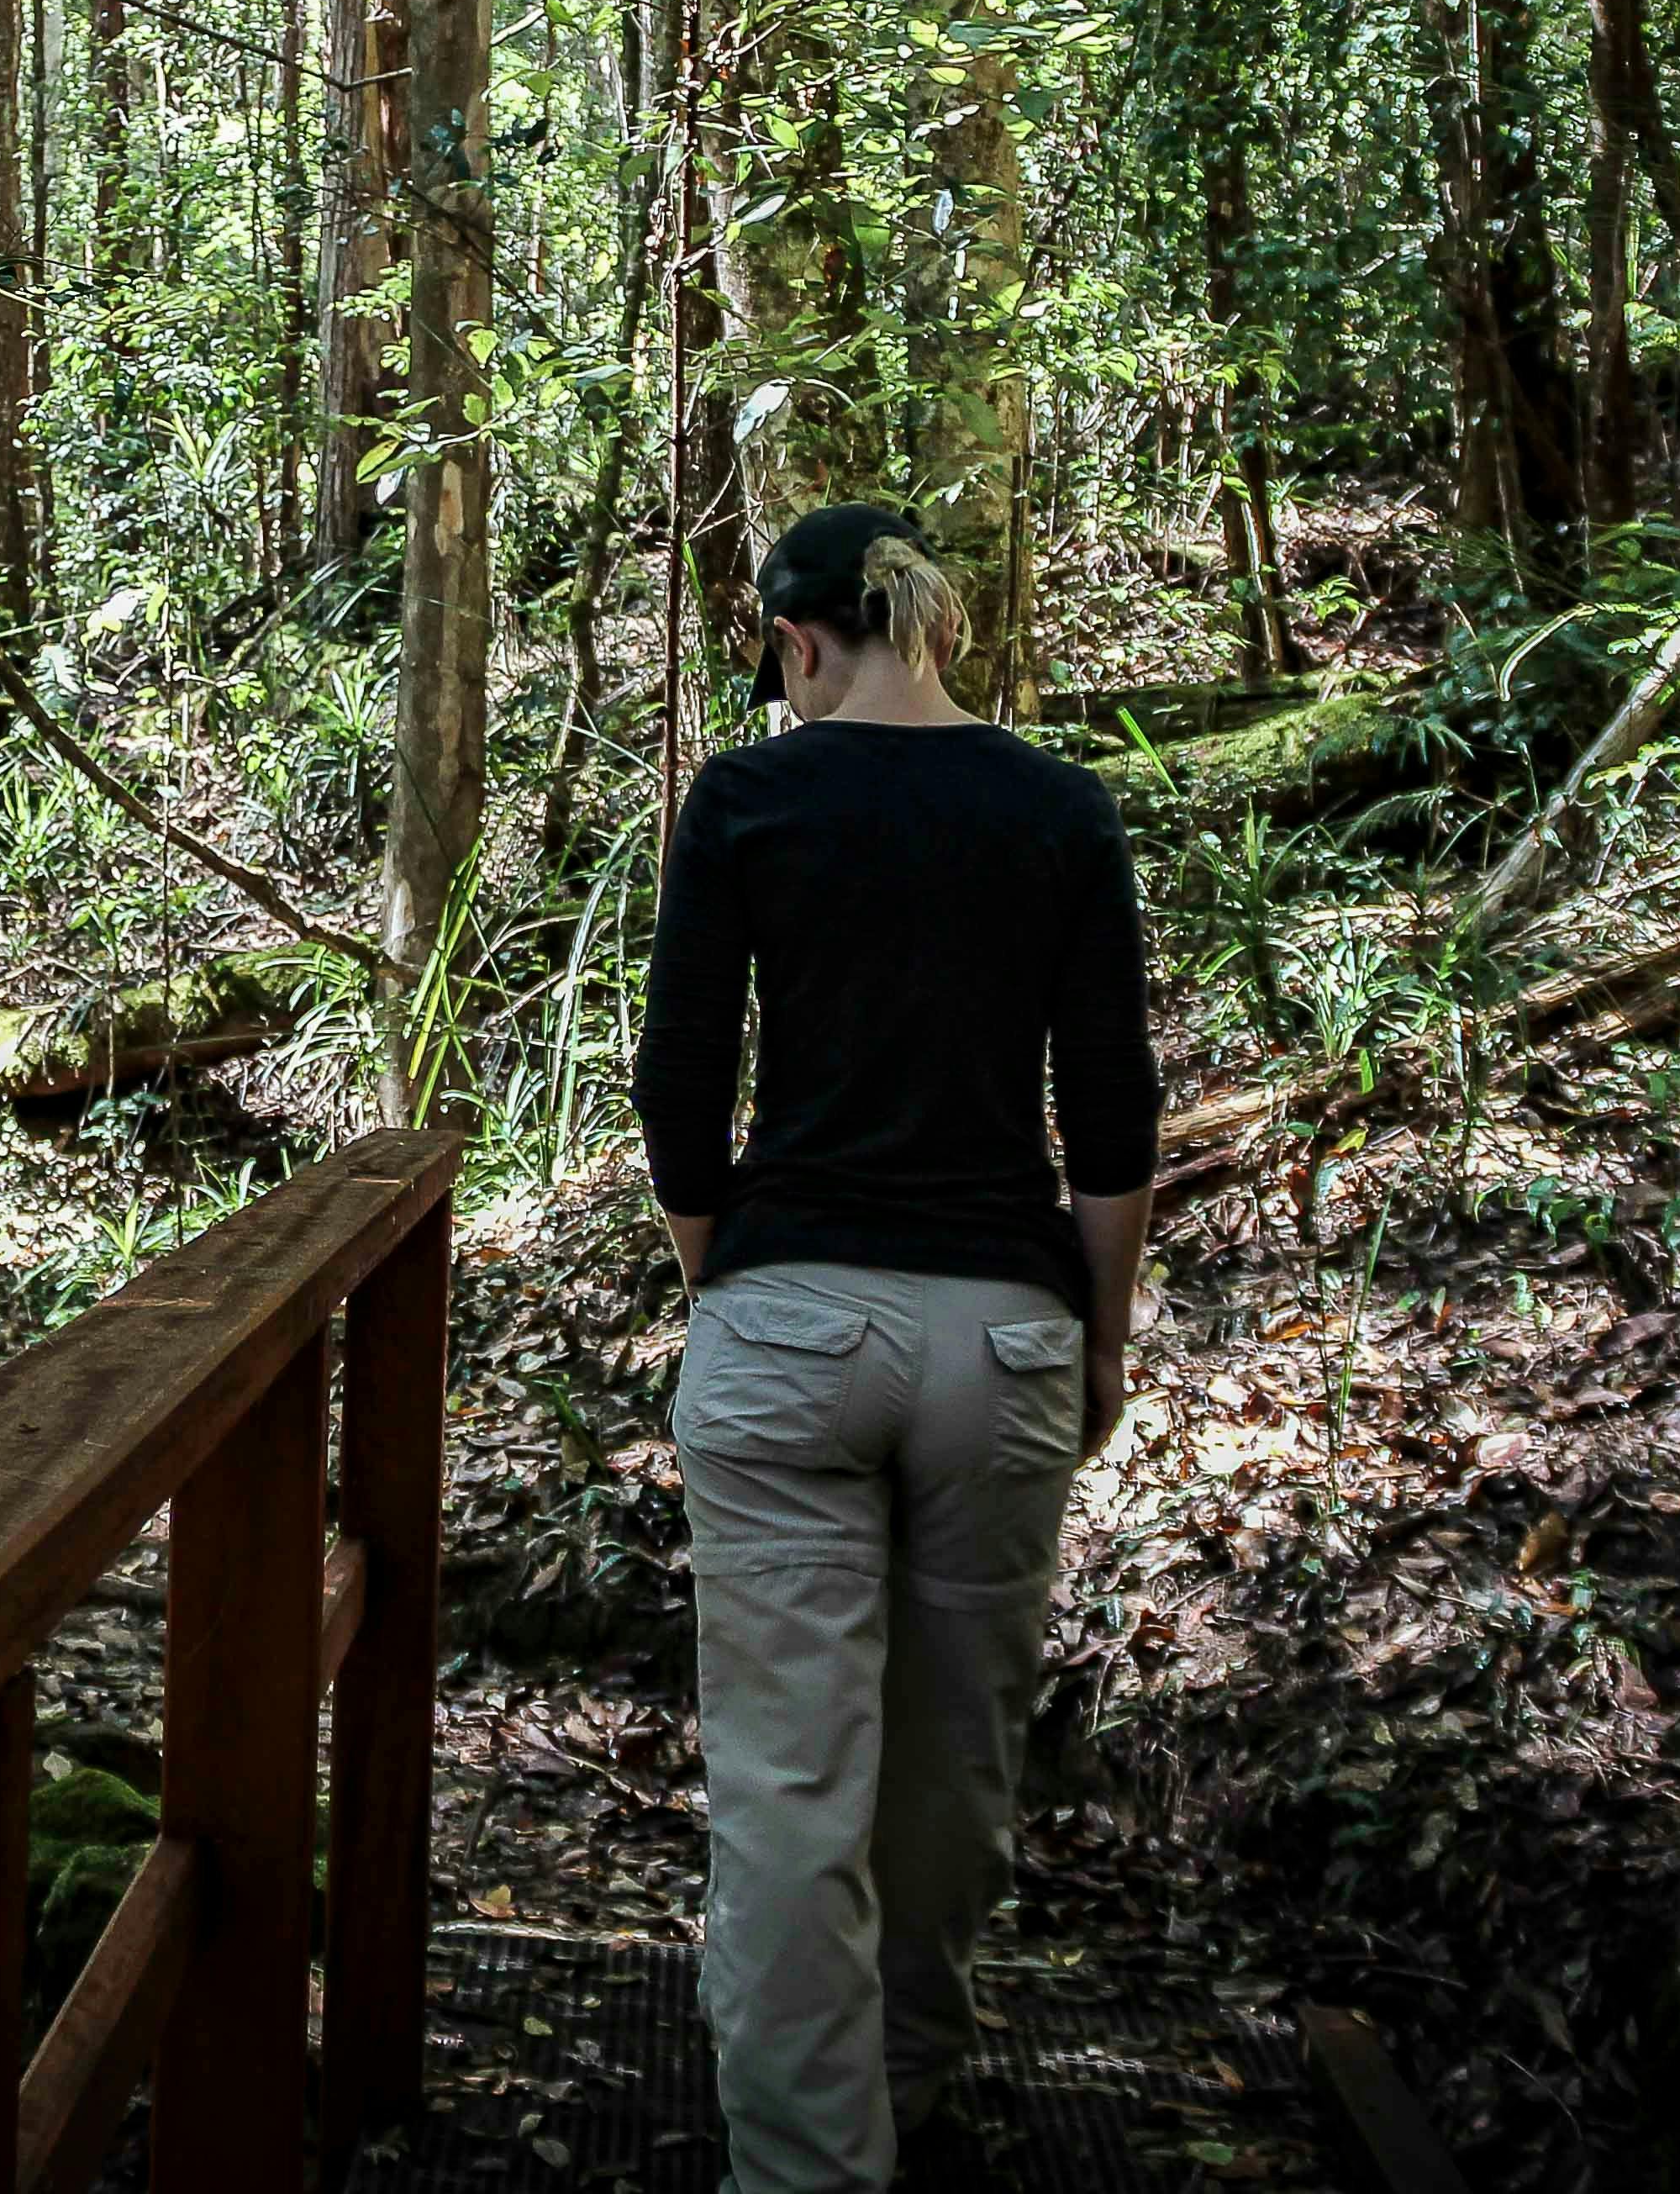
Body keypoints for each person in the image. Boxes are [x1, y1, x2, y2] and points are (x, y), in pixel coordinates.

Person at [631, 502, 1160, 2191]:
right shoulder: (1058, 806)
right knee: (955, 1760)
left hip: (789, 1321)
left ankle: (807, 2167)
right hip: (1002, 1329)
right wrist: (1101, 1337)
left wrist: (730, 1275)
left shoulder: (752, 797)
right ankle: (912, 2093)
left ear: (795, 645)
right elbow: (1111, 1105)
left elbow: (677, 1079)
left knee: (792, 1783)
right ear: (920, 627)